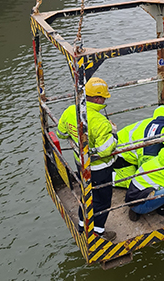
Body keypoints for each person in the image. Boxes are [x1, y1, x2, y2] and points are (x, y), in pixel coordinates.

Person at [57, 77, 117, 241]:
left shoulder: (70, 111)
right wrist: (114, 135)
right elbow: (105, 150)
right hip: (99, 168)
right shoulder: (100, 122)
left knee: (86, 195)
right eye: (104, 97)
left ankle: (82, 226)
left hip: (81, 164)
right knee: (102, 200)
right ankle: (98, 231)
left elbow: (61, 134)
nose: (105, 100)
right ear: (98, 98)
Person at [113, 105, 164, 188]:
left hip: (121, 138)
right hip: (120, 153)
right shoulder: (150, 151)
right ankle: (110, 178)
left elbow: (162, 108)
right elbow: (144, 172)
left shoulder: (162, 120)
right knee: (133, 184)